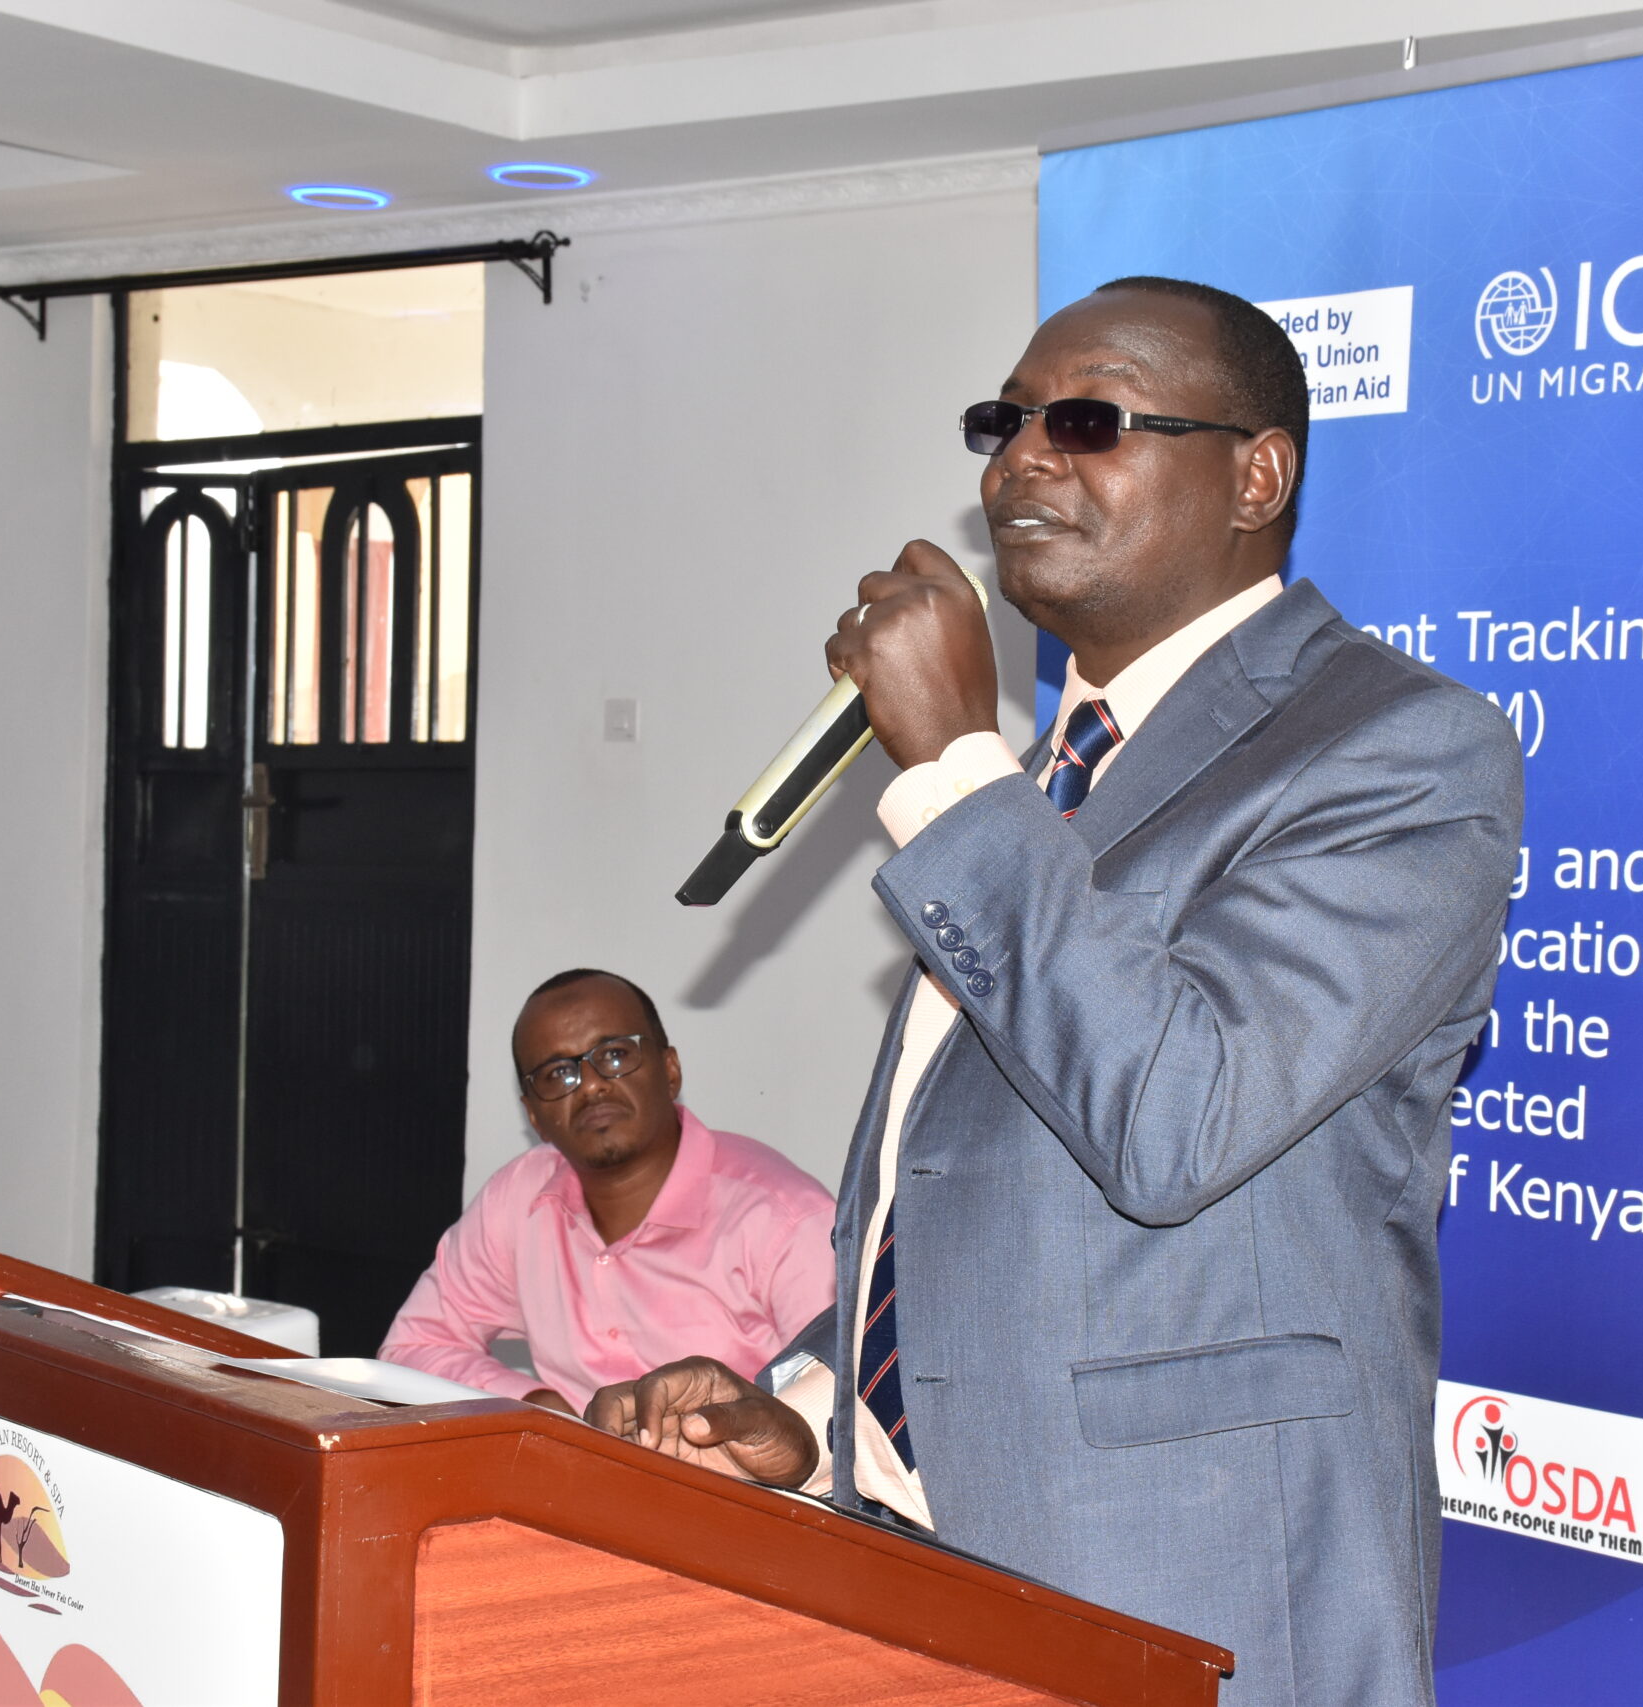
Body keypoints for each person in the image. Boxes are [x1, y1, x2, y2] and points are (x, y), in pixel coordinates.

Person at [592, 278, 1523, 1707]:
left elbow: (1177, 1119)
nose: (1020, 459)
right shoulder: (1047, 779)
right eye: (1005, 421)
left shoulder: (1396, 751)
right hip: (927, 1564)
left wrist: (954, 766)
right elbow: (969, 1184)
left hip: (1190, 1587)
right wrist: (816, 1415)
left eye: (1087, 422)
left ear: (1256, 475)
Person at [378, 967, 835, 1415]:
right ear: (534, 1116)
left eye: (614, 1055)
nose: (591, 1085)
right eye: (557, 1073)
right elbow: (412, 1349)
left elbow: (844, 1412)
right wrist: (533, 1407)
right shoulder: (519, 1199)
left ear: (670, 1070)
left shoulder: (787, 1220)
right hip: (567, 1464)